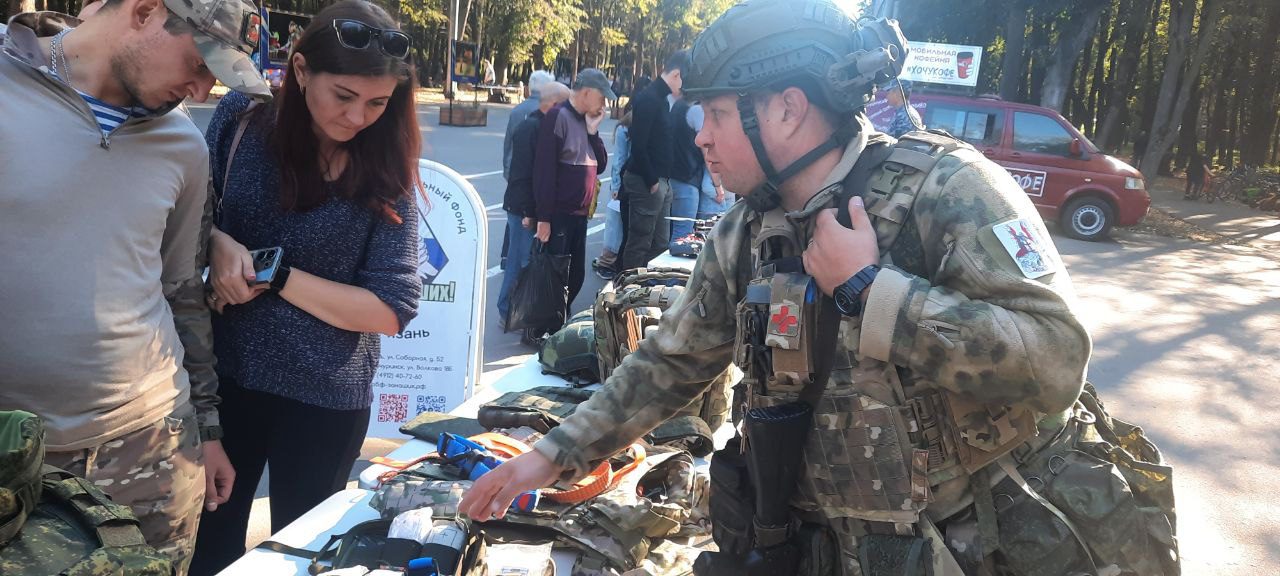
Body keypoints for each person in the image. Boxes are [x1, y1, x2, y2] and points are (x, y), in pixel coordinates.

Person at [459, 2, 1114, 573]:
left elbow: (1056, 360)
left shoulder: (949, 192)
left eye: (716, 112)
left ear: (788, 109)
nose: (702, 136)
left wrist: (871, 289)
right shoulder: (747, 230)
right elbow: (672, 360)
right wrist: (551, 456)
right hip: (815, 547)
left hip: (968, 550)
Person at [0, 0, 271, 571]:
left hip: (148, 446)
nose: (200, 91)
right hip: (9, 455)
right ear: (146, 12)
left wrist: (208, 429)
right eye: (200, 64)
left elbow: (182, 291)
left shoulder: (183, 146)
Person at [188, 2, 422, 573]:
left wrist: (278, 275)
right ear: (298, 71)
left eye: (377, 103)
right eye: (342, 95)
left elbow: (392, 309)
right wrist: (215, 240)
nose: (357, 117)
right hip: (222, 382)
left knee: (303, 555)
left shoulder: (388, 168)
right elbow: (188, 212)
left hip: (325, 398)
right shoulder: (241, 119)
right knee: (207, 548)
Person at [530, 69, 612, 332]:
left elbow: (600, 165)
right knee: (555, 273)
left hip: (579, 214)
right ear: (587, 92)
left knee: (575, 274)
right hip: (559, 213)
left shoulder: (585, 122)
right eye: (602, 97)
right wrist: (543, 218)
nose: (604, 104)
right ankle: (546, 327)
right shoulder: (558, 116)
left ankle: (558, 321)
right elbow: (544, 170)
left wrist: (593, 132)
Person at [498, 82, 571, 331]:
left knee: (523, 261)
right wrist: (530, 212)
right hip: (522, 208)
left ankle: (514, 311)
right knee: (520, 262)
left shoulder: (541, 125)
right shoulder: (532, 128)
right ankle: (507, 310)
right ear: (552, 104)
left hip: (525, 206)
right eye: (564, 105)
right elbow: (524, 175)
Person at [616, 51, 688, 272]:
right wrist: (651, 180)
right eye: (685, 80)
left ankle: (648, 289)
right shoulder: (649, 99)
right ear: (676, 74)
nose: (684, 87)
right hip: (647, 180)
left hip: (659, 181)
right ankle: (626, 293)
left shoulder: (660, 99)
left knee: (659, 243)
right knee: (640, 242)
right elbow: (638, 144)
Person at [593, 111, 633, 281]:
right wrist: (616, 185)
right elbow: (619, 160)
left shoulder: (626, 128)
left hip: (628, 180)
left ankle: (610, 260)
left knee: (620, 224)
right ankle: (606, 261)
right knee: (615, 224)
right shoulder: (624, 130)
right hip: (622, 181)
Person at [667, 95, 704, 248]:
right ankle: (672, 271)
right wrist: (717, 185)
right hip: (688, 177)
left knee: (676, 231)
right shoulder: (695, 109)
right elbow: (705, 150)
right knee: (683, 235)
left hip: (674, 175)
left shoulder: (678, 105)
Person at [505, 70, 554, 181]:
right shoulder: (548, 111)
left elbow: (508, 145)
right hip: (538, 177)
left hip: (515, 173)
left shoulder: (516, 111)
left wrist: (507, 172)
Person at [687, 103, 732, 219]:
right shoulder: (713, 163)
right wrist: (718, 190)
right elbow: (706, 185)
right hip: (713, 201)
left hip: (723, 202)